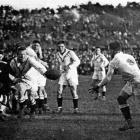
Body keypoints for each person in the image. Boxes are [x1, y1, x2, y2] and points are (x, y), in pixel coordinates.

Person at [93, 41, 139, 131]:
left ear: (113, 50)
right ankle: (129, 123)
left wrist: (98, 86)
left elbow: (108, 78)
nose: (109, 52)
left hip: (136, 82)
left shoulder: (114, 61)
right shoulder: (129, 56)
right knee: (121, 98)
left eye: (109, 50)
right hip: (134, 80)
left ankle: (129, 122)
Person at [9, 46, 47, 118]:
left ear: (27, 54)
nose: (22, 56)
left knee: (32, 96)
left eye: (24, 54)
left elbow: (38, 66)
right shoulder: (13, 62)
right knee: (21, 90)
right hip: (20, 80)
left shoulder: (30, 60)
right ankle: (21, 110)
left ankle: (32, 111)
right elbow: (8, 72)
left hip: (31, 79)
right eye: (20, 54)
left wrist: (45, 73)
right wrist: (14, 79)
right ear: (17, 54)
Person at [56, 40, 80, 113]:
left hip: (71, 73)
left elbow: (78, 61)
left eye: (62, 46)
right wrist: (59, 70)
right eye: (59, 47)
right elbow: (60, 64)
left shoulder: (70, 52)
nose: (61, 48)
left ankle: (76, 109)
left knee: (73, 91)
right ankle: (59, 108)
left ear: (65, 46)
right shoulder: (57, 54)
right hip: (63, 74)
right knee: (59, 91)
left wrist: (69, 66)